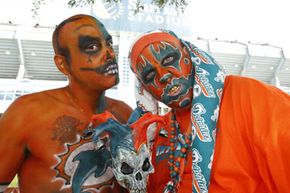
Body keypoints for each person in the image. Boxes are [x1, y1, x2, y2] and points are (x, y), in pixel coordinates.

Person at [128, 29, 290, 193]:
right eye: (149, 76)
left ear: (189, 54)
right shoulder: (160, 132)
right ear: (145, 89)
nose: (163, 75)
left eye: (169, 59)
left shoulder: (248, 96)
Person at [0, 14, 132, 193]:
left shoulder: (124, 113)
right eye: (92, 47)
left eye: (108, 43)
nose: (109, 53)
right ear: (62, 64)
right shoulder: (27, 112)